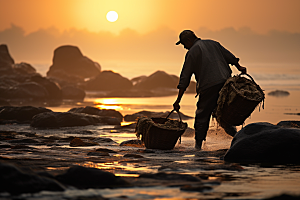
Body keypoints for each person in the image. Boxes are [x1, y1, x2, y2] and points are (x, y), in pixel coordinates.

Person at [173, 30, 247, 150]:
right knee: (222, 114)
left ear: (188, 41)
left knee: (202, 115)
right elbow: (230, 57)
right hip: (226, 84)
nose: (184, 47)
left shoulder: (192, 52)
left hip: (209, 86)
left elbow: (185, 78)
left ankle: (198, 147)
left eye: (183, 44)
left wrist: (178, 100)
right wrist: (240, 67)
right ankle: (239, 138)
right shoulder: (213, 44)